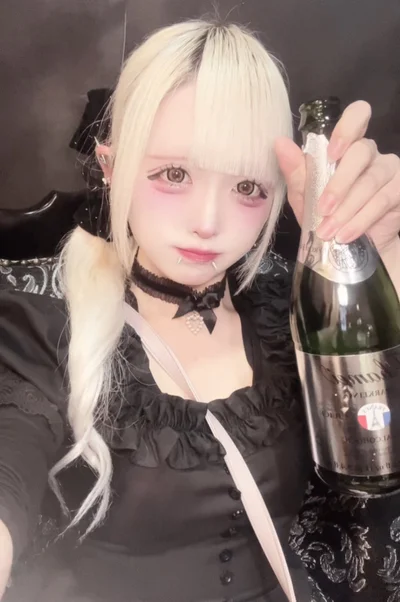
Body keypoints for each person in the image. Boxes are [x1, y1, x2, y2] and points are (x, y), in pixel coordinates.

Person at [0, 18, 399, 602]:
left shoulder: (290, 312)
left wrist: (389, 274)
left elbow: (375, 448)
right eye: (174, 174)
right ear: (111, 166)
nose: (208, 223)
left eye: (248, 188)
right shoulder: (42, 330)